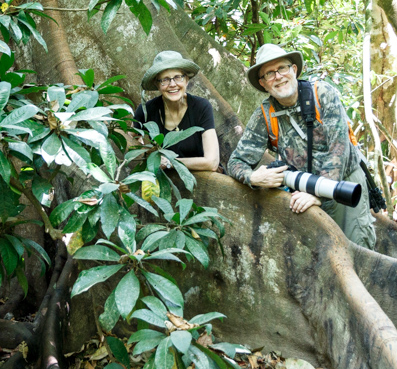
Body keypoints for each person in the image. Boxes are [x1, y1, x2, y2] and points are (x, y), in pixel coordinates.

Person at [227, 44, 376, 249]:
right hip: (301, 191)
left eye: (282, 68)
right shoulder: (265, 114)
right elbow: (236, 162)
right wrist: (253, 177)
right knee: (317, 256)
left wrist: (317, 194)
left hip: (342, 184)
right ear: (263, 84)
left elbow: (337, 151)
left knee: (356, 250)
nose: (278, 76)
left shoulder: (322, 94)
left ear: (294, 70)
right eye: (269, 73)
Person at [134, 51, 220, 172]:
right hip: (163, 182)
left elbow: (212, 162)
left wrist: (170, 162)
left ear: (187, 80)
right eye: (165, 80)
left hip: (203, 182)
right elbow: (130, 140)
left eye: (178, 77)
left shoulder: (201, 107)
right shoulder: (147, 110)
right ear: (156, 84)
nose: (172, 84)